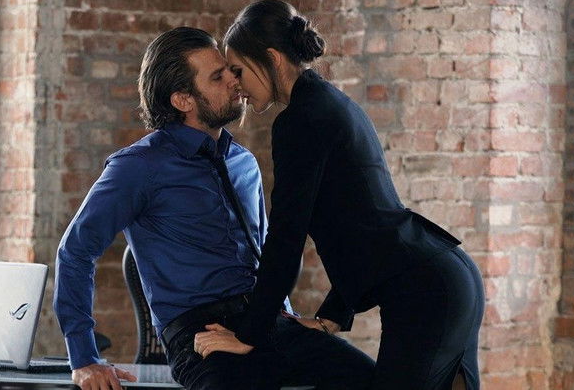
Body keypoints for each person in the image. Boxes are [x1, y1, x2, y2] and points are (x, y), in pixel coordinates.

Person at [53, 26, 375, 390]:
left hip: (268, 321)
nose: (235, 81)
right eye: (218, 77)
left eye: (230, 71)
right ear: (183, 100)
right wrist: (84, 358)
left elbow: (270, 252)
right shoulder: (138, 167)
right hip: (199, 333)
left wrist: (283, 313)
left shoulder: (244, 162)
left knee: (372, 380)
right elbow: (75, 251)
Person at [194, 0, 485, 389]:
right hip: (450, 278)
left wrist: (249, 334)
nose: (237, 85)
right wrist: (332, 315)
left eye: (238, 70)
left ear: (272, 59)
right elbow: (363, 217)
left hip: (426, 293)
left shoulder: (299, 120)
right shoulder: (330, 102)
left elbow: (286, 237)